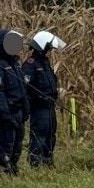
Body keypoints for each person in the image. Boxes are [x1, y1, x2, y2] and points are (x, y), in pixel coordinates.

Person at [0, 29, 29, 175]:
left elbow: (23, 89)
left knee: (18, 143)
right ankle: (5, 170)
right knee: (6, 143)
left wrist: (26, 108)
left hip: (19, 111)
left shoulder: (17, 64)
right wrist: (4, 113)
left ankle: (14, 167)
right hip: (8, 111)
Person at [24, 31, 63, 169]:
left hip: (50, 105)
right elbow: (26, 87)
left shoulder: (45, 63)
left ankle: (48, 160)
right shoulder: (31, 64)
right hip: (39, 107)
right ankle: (35, 163)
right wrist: (38, 98)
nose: (49, 51)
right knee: (39, 134)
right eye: (48, 48)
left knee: (50, 133)